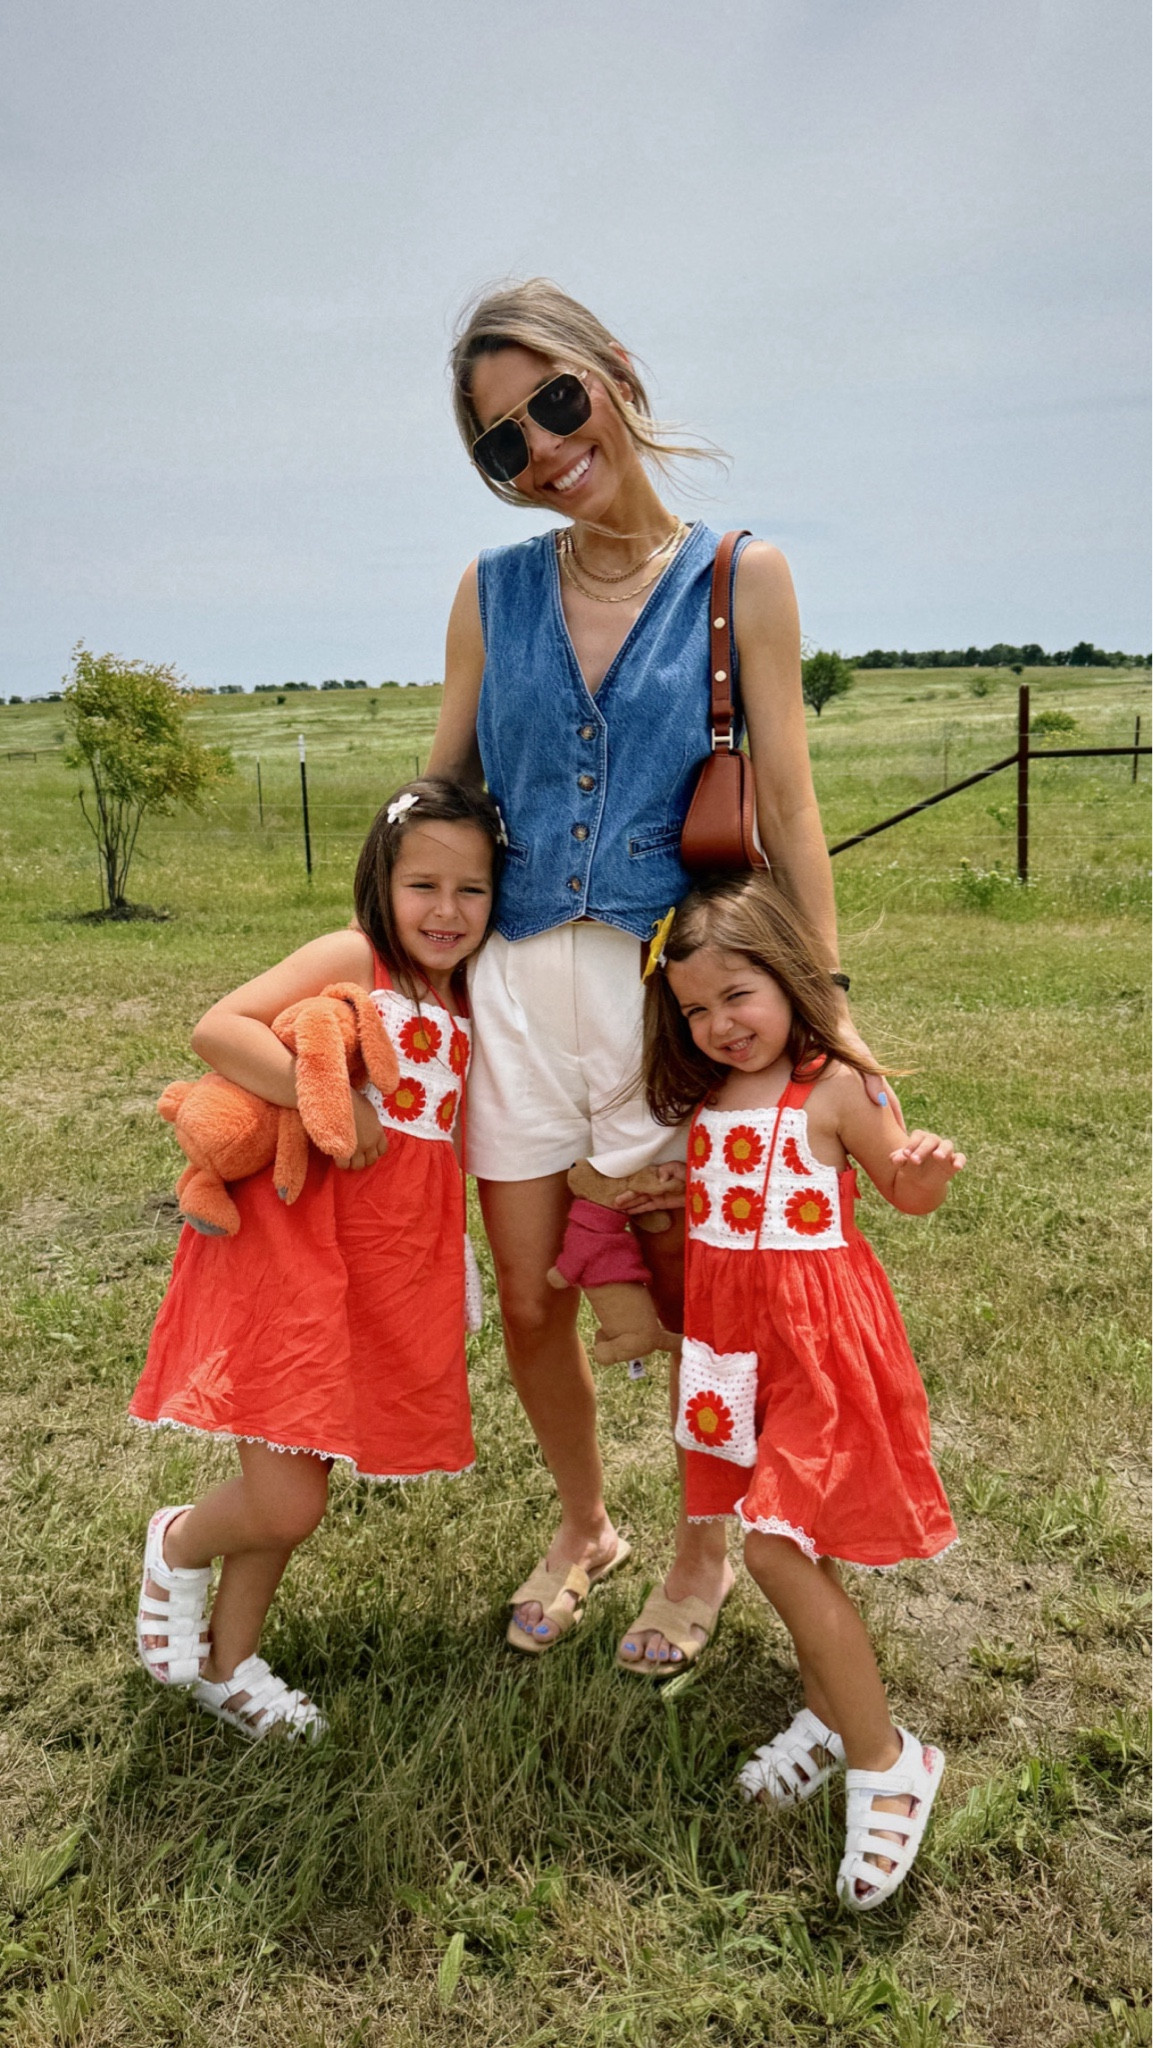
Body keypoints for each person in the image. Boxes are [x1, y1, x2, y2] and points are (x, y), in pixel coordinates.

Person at [428, 277, 889, 1668]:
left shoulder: (744, 576)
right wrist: (382, 968)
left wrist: (827, 1010)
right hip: (512, 998)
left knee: (705, 1297)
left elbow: (788, 806)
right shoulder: (491, 591)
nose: (543, 449)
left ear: (614, 373)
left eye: (555, 402)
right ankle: (586, 1524)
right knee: (529, 1296)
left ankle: (704, 1545)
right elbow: (445, 794)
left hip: (671, 1004)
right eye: (503, 442)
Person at [130, 778, 504, 1739]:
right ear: (381, 880)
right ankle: (179, 1541)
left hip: (381, 1266)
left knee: (304, 1473)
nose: (447, 910)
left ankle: (228, 1664)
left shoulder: (466, 993)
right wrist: (319, 1095)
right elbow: (219, 1028)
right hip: (293, 1249)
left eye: (471, 889)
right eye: (423, 886)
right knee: (285, 1501)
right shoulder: (356, 958)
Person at [641, 873, 961, 1909]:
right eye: (695, 1007)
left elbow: (900, 1190)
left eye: (737, 994)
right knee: (792, 1536)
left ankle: (886, 1759)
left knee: (774, 1546)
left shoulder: (837, 1085)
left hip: (820, 1349)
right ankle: (828, 1713)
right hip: (735, 1353)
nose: (718, 1024)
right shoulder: (706, 1100)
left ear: (787, 976)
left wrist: (923, 1170)